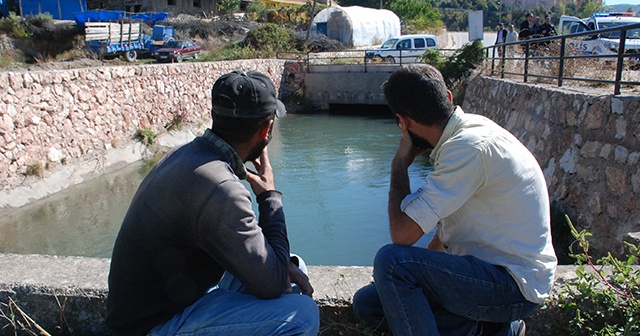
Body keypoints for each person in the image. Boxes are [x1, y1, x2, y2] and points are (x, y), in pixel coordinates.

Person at [106, 70, 320, 336]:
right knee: (301, 315)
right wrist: (269, 197)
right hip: (153, 327)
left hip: (164, 306)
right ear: (265, 129)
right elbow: (273, 284)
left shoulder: (186, 155)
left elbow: (266, 266)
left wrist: (279, 268)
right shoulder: (221, 188)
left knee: (292, 265)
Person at [352, 64, 557, 335]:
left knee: (393, 262)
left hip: (512, 285)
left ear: (403, 122)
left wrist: (399, 164)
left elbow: (402, 236)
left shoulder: (467, 149)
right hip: (486, 274)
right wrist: (418, 274)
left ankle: (496, 325)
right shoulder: (467, 134)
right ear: (448, 97)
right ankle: (493, 331)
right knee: (369, 304)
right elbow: (445, 229)